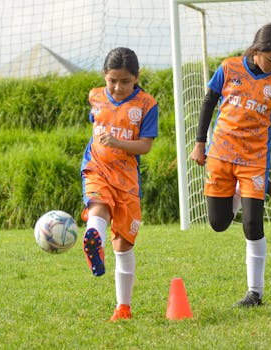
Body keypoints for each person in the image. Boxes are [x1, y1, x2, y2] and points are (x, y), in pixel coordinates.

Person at [190, 23, 271, 307]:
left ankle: (255, 293)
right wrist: (200, 142)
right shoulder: (229, 68)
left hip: (254, 161)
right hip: (220, 156)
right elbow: (208, 102)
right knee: (219, 223)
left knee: (252, 224)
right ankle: (239, 191)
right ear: (256, 49)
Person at [80, 47, 158, 321]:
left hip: (126, 180)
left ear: (136, 77)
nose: (117, 87)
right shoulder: (96, 97)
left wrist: (117, 142)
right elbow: (95, 123)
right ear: (105, 76)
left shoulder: (147, 105)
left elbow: (145, 146)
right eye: (112, 80)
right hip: (97, 168)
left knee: (124, 246)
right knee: (98, 204)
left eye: (125, 81)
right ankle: (94, 239)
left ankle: (123, 308)